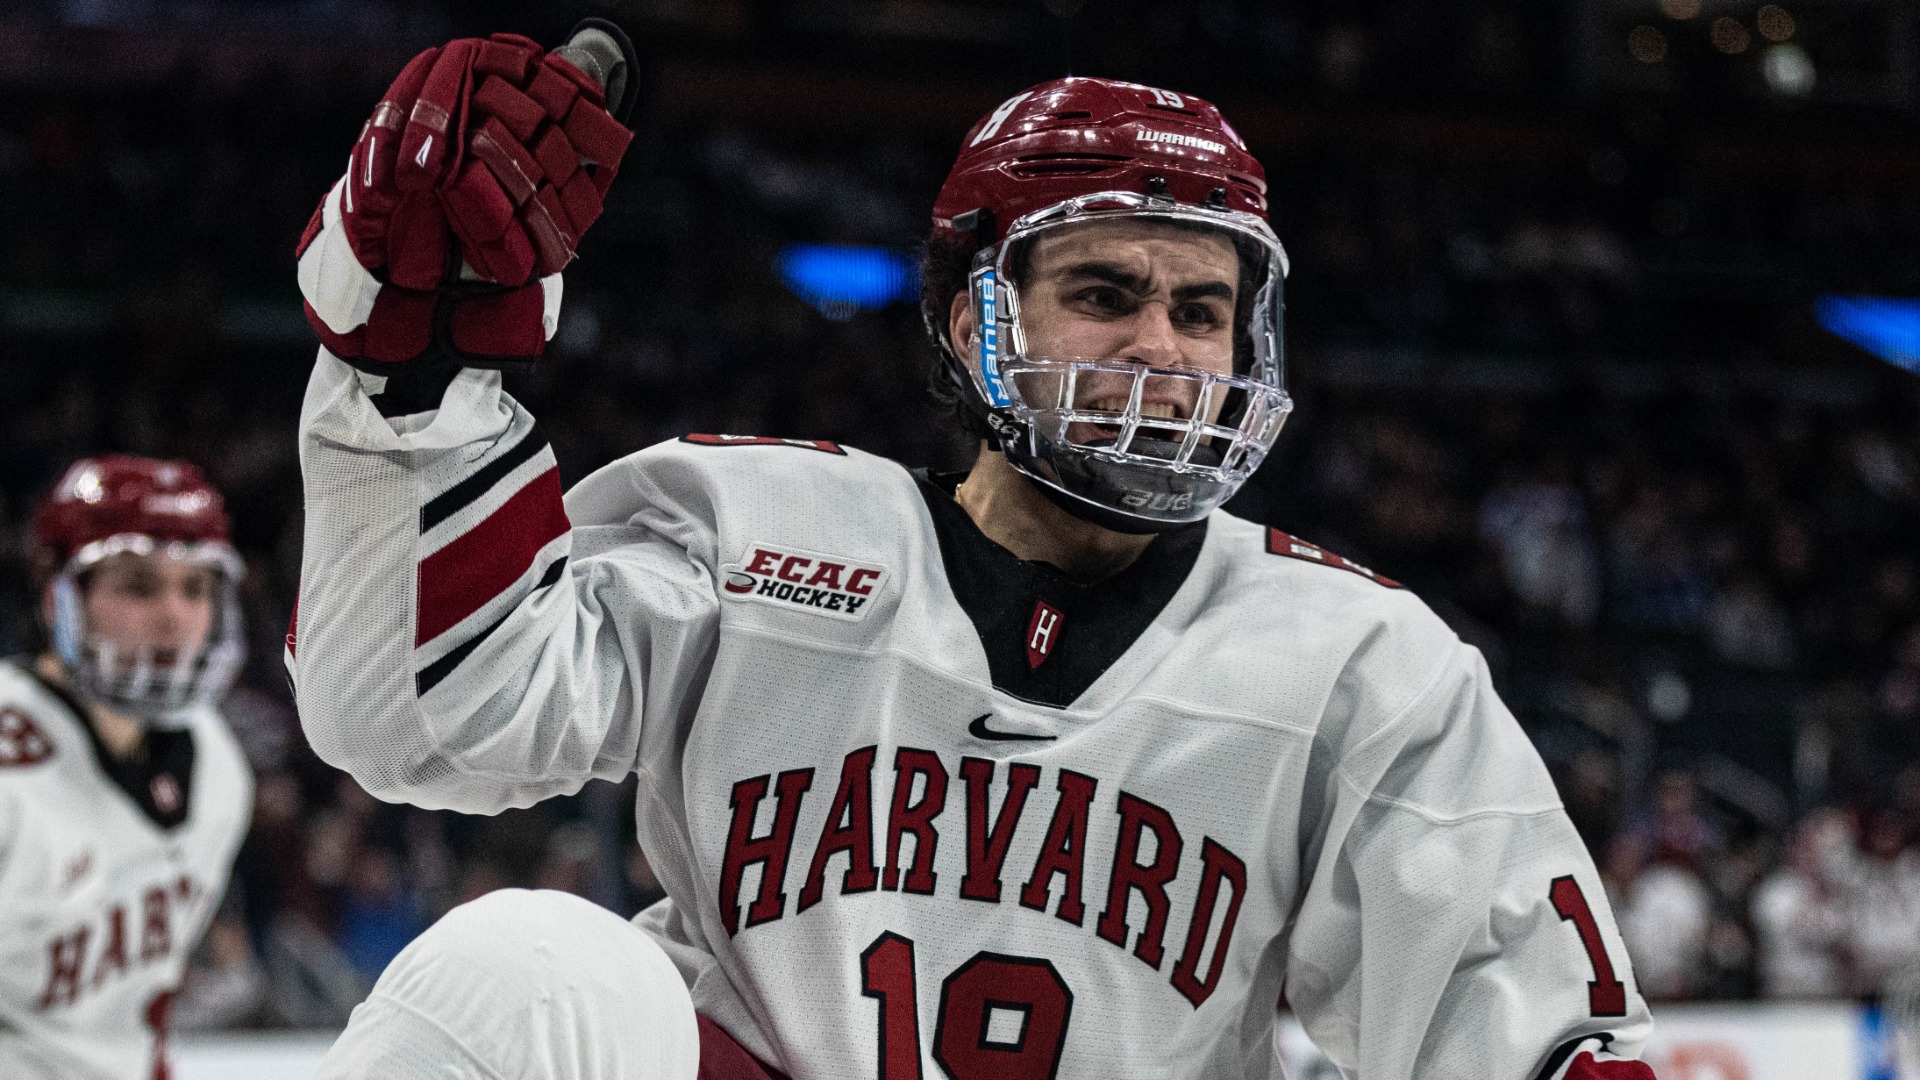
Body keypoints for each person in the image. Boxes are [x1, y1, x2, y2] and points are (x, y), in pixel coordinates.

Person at [289, 26, 1659, 1080]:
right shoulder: (755, 536)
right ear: (963, 319)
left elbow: (1535, 1025)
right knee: (525, 969)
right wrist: (416, 380)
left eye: (1203, 310)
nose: (1163, 354)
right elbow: (418, 717)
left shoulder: (1365, 664)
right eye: (1105, 294)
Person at [0, 456, 254, 1079]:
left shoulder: (219, 762)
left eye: (195, 588)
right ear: (59, 595)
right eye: (138, 586)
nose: (175, 617)